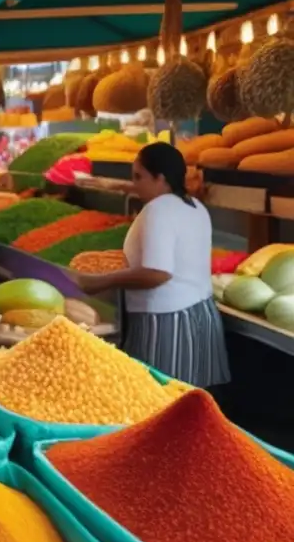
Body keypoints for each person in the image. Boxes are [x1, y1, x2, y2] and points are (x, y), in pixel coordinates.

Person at [76, 142, 230, 387]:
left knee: (160, 401)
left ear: (161, 178)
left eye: (139, 176)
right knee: (191, 400)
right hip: (201, 316)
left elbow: (158, 273)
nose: (134, 184)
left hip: (167, 323)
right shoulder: (195, 206)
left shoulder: (158, 210)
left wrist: (102, 281)